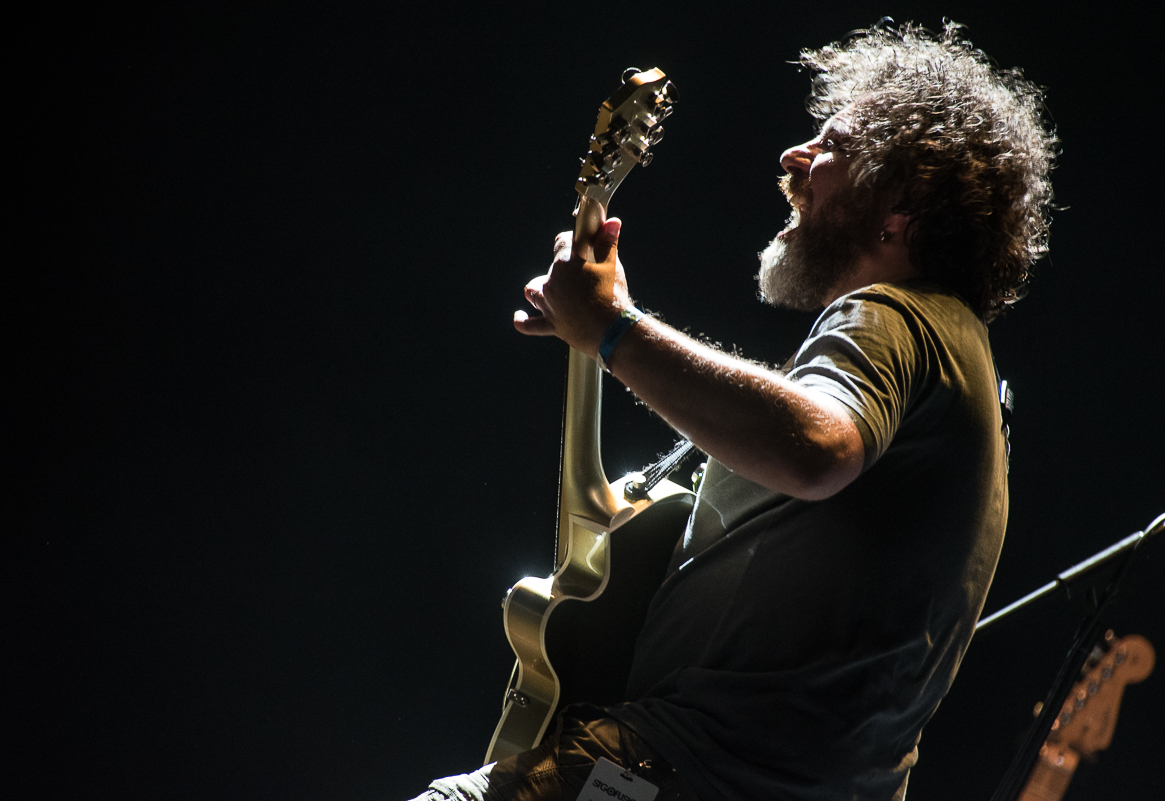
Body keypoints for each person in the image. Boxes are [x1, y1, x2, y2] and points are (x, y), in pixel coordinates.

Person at [412, 21, 1056, 801]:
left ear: (901, 210)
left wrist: (615, 329)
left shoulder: (894, 316)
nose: (793, 156)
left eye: (833, 145)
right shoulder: (955, 362)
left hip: (683, 769)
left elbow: (817, 447)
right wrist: (599, 334)